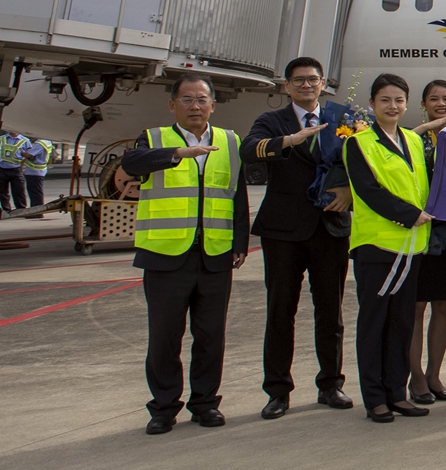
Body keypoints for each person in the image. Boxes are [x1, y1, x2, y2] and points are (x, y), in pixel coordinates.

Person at [120, 74, 250, 434]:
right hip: (166, 255)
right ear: (172, 104)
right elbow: (131, 164)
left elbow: (236, 195)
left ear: (213, 104)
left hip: (215, 254)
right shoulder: (154, 138)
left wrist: (240, 242)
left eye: (202, 100)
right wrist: (178, 154)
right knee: (165, 336)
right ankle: (163, 407)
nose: (196, 106)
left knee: (211, 335)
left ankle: (205, 403)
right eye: (188, 99)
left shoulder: (229, 141)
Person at [241, 56, 354, 421]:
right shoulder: (272, 121)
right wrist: (290, 140)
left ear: (323, 83)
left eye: (313, 80)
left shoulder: (342, 118)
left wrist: (350, 193)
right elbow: (249, 150)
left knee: (330, 313)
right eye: (298, 80)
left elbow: (366, 163)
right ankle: (277, 390)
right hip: (283, 232)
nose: (306, 85)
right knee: (280, 312)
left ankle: (330, 384)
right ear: (286, 86)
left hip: (330, 227)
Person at [339, 74, 437, 422]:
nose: (392, 106)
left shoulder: (413, 140)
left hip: (411, 246)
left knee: (401, 325)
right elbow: (369, 191)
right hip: (378, 247)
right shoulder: (358, 144)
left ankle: (397, 392)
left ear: (406, 104)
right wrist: (410, 215)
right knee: (374, 324)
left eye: (398, 100)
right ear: (372, 104)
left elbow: (426, 183)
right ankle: (375, 397)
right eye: (385, 100)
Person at [406, 80, 446, 404]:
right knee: (415, 308)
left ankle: (434, 374)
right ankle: (415, 376)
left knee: (443, 305)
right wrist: (426, 128)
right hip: (418, 232)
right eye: (434, 99)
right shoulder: (413, 137)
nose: (441, 104)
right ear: (424, 104)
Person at [18, 134, 50, 217]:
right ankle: (36, 211)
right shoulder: (47, 141)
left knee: (35, 192)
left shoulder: (40, 144)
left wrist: (22, 152)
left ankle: (37, 212)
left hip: (35, 171)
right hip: (39, 170)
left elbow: (29, 155)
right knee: (36, 191)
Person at [0, 129, 24, 211]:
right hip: (2, 168)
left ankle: (20, 209)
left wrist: (22, 166)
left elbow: (28, 154)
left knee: (19, 190)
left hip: (16, 169)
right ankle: (6, 209)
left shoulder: (24, 140)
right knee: (2, 192)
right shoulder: (1, 138)